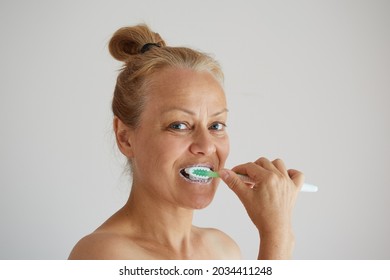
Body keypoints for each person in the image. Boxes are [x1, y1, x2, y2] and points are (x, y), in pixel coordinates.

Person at [68, 24, 304, 260]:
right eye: (179, 125)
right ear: (125, 138)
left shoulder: (223, 250)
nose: (207, 145)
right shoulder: (101, 254)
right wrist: (278, 236)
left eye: (216, 126)